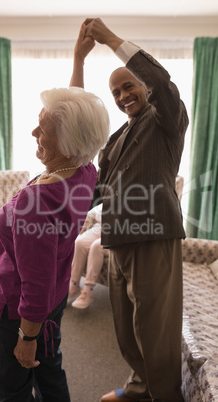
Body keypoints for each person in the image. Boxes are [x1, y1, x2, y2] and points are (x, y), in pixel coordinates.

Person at [70, 19, 188, 402]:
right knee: (127, 327)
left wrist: (108, 39)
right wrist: (78, 60)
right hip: (116, 238)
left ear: (144, 87)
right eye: (116, 92)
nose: (122, 96)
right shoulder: (118, 138)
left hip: (154, 236)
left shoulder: (166, 120)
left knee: (155, 328)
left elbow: (162, 81)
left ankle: (164, 395)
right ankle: (140, 387)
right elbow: (97, 186)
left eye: (128, 86)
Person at [0, 86, 110, 402]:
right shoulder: (84, 170)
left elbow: (36, 281)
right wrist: (79, 59)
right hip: (53, 299)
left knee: (12, 389)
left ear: (70, 144)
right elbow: (79, 116)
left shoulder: (38, 202)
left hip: (19, 308)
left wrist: (26, 337)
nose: (33, 132)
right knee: (49, 372)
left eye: (42, 130)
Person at [68, 204, 104, 308]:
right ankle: (74, 285)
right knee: (79, 242)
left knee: (96, 246)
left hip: (116, 229)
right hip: (100, 225)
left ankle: (88, 290)